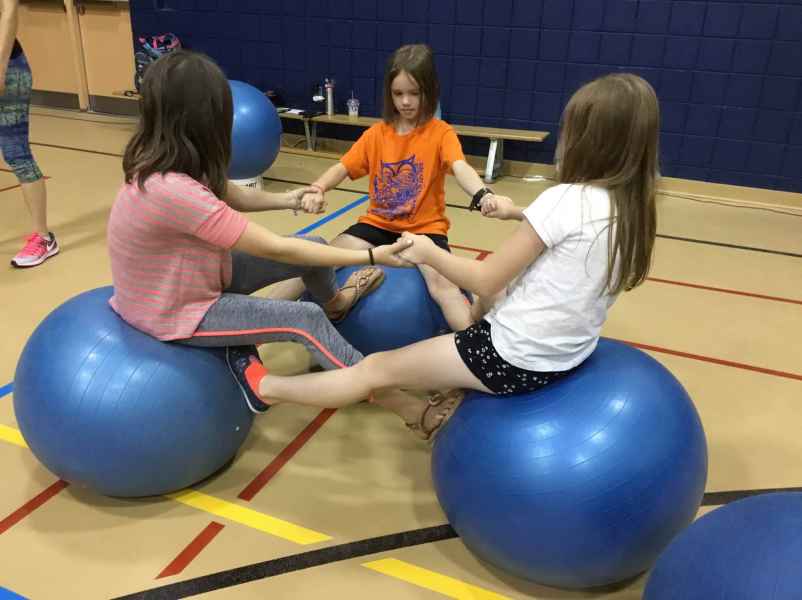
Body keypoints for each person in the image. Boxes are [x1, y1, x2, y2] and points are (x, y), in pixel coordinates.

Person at [225, 72, 660, 440]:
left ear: (589, 140)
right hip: (562, 356)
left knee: (375, 368)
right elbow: (571, 229)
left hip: (510, 357)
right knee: (494, 298)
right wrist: (516, 211)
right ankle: (455, 370)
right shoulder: (633, 207)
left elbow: (485, 280)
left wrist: (430, 252)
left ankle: (266, 387)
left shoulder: (564, 198)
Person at [107, 50, 412, 413]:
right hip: (177, 311)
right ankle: (398, 403)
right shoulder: (171, 190)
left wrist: (289, 200)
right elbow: (278, 249)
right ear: (204, 119)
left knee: (312, 246)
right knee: (304, 318)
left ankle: (336, 305)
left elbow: (223, 191)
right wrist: (371, 255)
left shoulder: (171, 158)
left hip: (195, 276)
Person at [279, 44, 513, 331]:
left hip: (425, 229)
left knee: (444, 289)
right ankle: (260, 321)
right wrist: (318, 187)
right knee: (314, 258)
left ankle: (473, 342)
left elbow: (460, 166)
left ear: (430, 91)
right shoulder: (376, 134)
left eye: (414, 93)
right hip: (377, 224)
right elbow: (343, 167)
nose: (406, 102)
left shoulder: (441, 133)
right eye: (398, 93)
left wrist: (482, 194)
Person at [2, 0, 59, 268]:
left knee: (16, 152)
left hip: (8, 68)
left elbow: (9, 11)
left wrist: (0, 68)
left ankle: (44, 238)